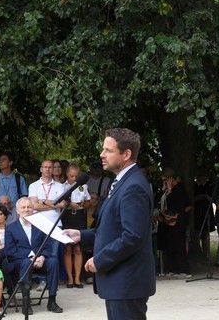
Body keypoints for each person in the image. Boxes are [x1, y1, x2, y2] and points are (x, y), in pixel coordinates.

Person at [63, 128, 155, 320]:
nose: (101, 154)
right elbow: (113, 228)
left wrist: (100, 259)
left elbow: (132, 236)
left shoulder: (134, 186)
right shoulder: (122, 182)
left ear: (126, 154)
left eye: (108, 150)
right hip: (120, 283)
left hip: (127, 282)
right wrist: (82, 235)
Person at [2, 197, 63, 314]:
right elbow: (10, 251)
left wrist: (42, 257)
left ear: (33, 209)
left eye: (29, 207)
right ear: (17, 211)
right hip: (20, 262)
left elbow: (47, 246)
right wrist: (30, 259)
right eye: (23, 207)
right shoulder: (10, 228)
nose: (26, 210)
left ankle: (52, 301)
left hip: (40, 260)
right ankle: (26, 302)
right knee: (26, 263)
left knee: (53, 261)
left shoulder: (40, 226)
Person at [156, 169, 191, 277]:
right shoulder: (166, 190)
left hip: (178, 221)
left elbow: (174, 205)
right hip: (167, 222)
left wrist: (170, 189)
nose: (164, 182)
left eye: (166, 180)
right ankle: (174, 269)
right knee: (170, 245)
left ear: (172, 179)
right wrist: (163, 189)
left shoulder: (179, 189)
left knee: (179, 245)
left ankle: (184, 270)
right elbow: (158, 200)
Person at [62, 164, 91, 288]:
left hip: (79, 216)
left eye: (76, 176)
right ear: (67, 174)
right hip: (67, 216)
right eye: (71, 175)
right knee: (68, 248)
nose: (74, 178)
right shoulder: (62, 186)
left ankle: (78, 278)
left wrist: (83, 204)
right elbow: (58, 202)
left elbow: (89, 202)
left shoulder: (83, 186)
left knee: (78, 248)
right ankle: (70, 278)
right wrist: (68, 205)